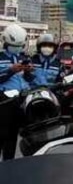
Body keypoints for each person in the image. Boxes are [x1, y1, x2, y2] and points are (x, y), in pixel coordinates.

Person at [0, 24, 32, 160]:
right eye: (14, 45)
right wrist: (10, 70)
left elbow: (27, 79)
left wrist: (28, 72)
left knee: (12, 137)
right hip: (3, 101)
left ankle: (9, 167)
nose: (17, 48)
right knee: (2, 135)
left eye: (19, 46)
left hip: (20, 100)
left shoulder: (23, 57)